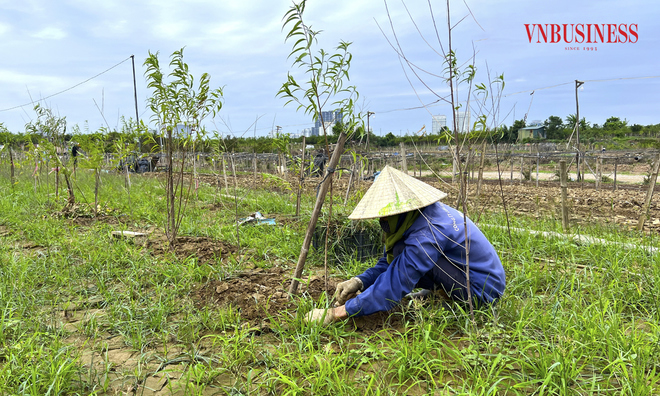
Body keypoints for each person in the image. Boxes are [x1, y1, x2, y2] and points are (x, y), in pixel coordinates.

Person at [306, 165, 506, 325]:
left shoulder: (427, 234)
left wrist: (336, 312)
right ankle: (438, 294)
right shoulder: (415, 218)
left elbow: (396, 281)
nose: (382, 221)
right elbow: (390, 261)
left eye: (385, 216)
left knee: (416, 261)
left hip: (483, 290)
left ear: (398, 211)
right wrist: (360, 281)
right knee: (407, 254)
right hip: (461, 272)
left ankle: (460, 301)